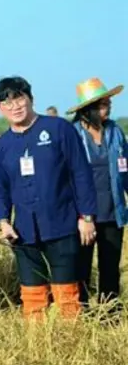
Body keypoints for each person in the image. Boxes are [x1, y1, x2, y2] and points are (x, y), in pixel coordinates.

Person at [0, 76, 97, 321]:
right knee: (32, 296)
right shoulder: (1, 146)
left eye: (19, 98)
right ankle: (37, 348)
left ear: (30, 98)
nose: (15, 106)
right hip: (24, 234)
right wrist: (3, 221)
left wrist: (87, 217)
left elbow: (81, 174)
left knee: (68, 295)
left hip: (63, 226)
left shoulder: (59, 129)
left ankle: (72, 348)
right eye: (6, 102)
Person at [67, 77, 127, 307]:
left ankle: (109, 312)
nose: (108, 107)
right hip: (83, 216)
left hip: (113, 212)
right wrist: (81, 216)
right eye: (103, 104)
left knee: (110, 266)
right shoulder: (72, 135)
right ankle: (81, 311)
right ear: (87, 110)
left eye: (108, 103)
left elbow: (125, 168)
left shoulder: (116, 132)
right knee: (81, 267)